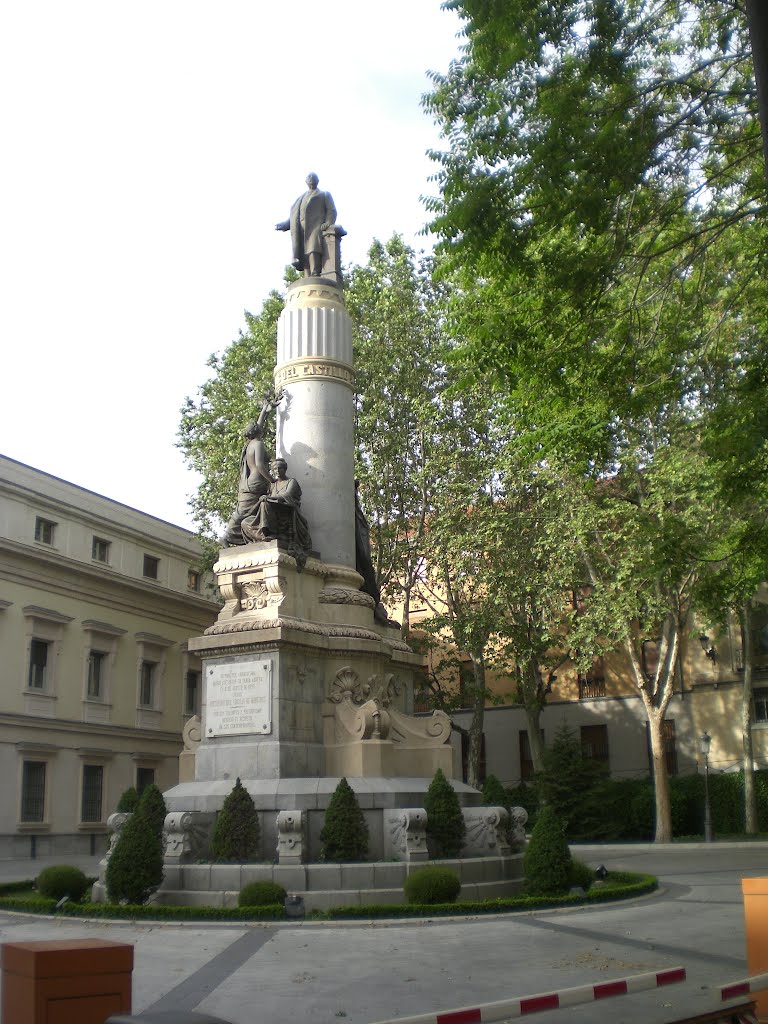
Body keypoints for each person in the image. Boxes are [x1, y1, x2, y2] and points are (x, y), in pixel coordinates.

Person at [221, 393, 282, 547]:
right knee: (244, 512)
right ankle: (228, 536)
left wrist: (265, 410)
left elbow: (259, 426)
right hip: (256, 483)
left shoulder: (250, 444)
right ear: (258, 432)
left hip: (249, 483)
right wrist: (272, 480)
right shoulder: (259, 444)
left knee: (247, 511)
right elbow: (261, 466)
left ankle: (253, 535)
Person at [241, 458, 312, 556]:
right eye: (274, 469)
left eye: (280, 468)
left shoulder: (291, 482)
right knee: (245, 523)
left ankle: (270, 534)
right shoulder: (272, 485)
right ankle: (263, 537)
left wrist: (269, 498)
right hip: (269, 516)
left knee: (265, 503)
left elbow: (287, 495)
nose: (277, 471)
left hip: (284, 515)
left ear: (285, 469)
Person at [275, 172, 336, 277]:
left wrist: (328, 222)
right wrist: (284, 225)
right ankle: (307, 276)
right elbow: (294, 217)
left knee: (313, 248)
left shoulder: (324, 194)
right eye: (309, 179)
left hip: (316, 227)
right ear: (306, 182)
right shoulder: (301, 198)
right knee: (303, 252)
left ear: (317, 181)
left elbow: (331, 210)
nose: (311, 180)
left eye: (313, 178)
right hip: (302, 229)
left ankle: (315, 273)